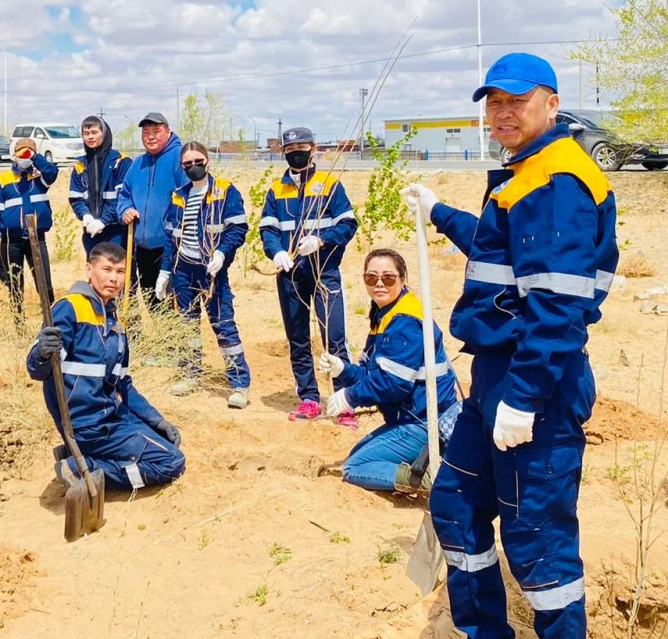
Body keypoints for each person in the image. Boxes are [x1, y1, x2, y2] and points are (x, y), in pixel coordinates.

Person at [407, 53, 617, 639]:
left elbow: (557, 304)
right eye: (493, 102)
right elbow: (500, 251)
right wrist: (440, 213)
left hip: (535, 382)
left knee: (537, 537)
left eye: (516, 101)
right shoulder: (524, 173)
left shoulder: (558, 180)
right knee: (456, 503)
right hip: (495, 375)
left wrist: (524, 397)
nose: (502, 113)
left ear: (551, 104)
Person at [26, 241, 186, 492]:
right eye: (107, 269)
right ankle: (83, 468)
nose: (114, 278)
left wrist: (156, 421)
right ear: (89, 270)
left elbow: (123, 385)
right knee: (171, 462)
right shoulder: (70, 308)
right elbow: (37, 371)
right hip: (86, 426)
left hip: (109, 416)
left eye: (120, 271)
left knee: (166, 441)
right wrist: (42, 353)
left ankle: (81, 458)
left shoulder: (116, 325)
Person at [318, 248, 460, 495]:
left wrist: (350, 396)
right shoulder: (385, 314)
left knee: (354, 467)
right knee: (359, 454)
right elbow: (373, 374)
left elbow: (393, 383)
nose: (379, 283)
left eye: (388, 278)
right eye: (371, 277)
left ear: (402, 279)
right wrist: (344, 370)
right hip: (412, 418)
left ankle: (427, 480)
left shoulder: (405, 320)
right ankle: (420, 464)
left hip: (425, 422)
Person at [259, 126, 358, 424]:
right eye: (289, 149)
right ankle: (309, 398)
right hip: (290, 275)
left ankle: (344, 401)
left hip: (324, 272)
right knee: (298, 338)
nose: (296, 153)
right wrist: (277, 251)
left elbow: (348, 224)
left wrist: (322, 240)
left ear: (313, 149)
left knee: (334, 337)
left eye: (301, 148)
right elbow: (268, 229)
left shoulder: (329, 185)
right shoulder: (277, 190)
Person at [158, 141, 252, 408]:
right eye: (187, 164)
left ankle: (239, 383)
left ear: (207, 161)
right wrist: (165, 271)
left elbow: (238, 229)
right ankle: (190, 374)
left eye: (198, 161)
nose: (193, 167)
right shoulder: (178, 195)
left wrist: (221, 253)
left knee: (223, 325)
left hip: (211, 272)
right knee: (186, 325)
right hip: (183, 271)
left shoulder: (224, 191)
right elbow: (171, 238)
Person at [0, 137, 60, 320]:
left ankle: (51, 320)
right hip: (11, 240)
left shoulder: (41, 178)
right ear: (13, 155)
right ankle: (18, 324)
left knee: (44, 282)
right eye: (21, 153)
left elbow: (52, 171)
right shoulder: (3, 180)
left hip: (37, 238)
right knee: (15, 285)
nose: (24, 156)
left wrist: (34, 157)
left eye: (29, 152)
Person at [116, 112, 185, 294]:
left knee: (174, 301)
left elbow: (189, 195)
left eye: (156, 131)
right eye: (146, 132)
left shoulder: (180, 158)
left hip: (172, 246)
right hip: (143, 247)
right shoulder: (138, 163)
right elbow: (124, 195)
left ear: (168, 132)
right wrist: (125, 209)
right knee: (151, 300)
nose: (151, 136)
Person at [68, 115, 131, 253]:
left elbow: (123, 198)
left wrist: (103, 220)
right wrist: (85, 215)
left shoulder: (120, 162)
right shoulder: (80, 165)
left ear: (104, 133)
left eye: (94, 132)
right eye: (86, 133)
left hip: (116, 230)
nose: (90, 137)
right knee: (94, 265)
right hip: (91, 231)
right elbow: (75, 197)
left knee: (116, 264)